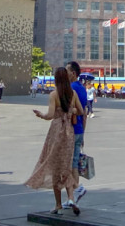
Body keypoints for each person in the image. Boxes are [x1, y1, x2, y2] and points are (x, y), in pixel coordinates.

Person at [27, 66, 84, 215]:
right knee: (66, 166)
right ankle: (71, 198)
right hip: (69, 132)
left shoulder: (54, 94)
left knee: (54, 167)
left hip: (57, 131)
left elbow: (50, 115)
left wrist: (40, 115)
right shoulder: (73, 94)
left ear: (56, 79)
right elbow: (81, 111)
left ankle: (58, 204)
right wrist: (72, 110)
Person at [67, 61, 88, 207]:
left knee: (70, 163)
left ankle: (76, 189)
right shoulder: (82, 88)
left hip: (71, 129)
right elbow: (84, 113)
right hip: (79, 129)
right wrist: (83, 133)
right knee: (73, 161)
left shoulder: (71, 88)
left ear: (73, 73)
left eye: (67, 71)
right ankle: (72, 197)